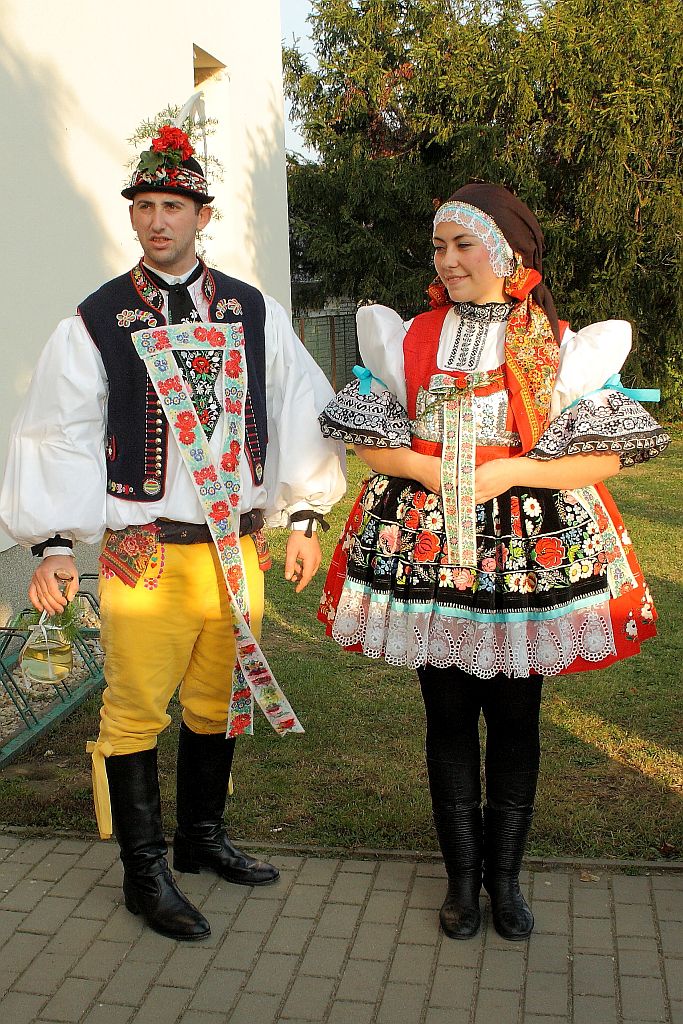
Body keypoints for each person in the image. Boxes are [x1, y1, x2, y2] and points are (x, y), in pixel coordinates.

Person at [0, 123, 345, 942]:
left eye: (174, 207)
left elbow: (299, 402)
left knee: (218, 700)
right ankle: (143, 871)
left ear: (202, 216)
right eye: (146, 206)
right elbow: (59, 430)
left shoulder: (252, 310)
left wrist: (304, 514)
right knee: (133, 711)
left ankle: (201, 839)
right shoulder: (98, 318)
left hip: (235, 547)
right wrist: (55, 543)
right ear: (132, 216)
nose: (159, 221)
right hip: (144, 550)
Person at [318, 183, 669, 942]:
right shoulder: (411, 336)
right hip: (428, 545)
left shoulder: (554, 343)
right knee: (446, 716)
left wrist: (510, 472)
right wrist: (424, 466)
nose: (446, 261)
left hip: (523, 550)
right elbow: (368, 438)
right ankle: (461, 881)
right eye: (438, 247)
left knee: (516, 716)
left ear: (508, 253)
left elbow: (606, 456)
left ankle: (504, 878)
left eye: (462, 245)